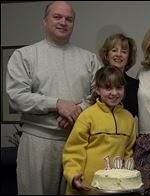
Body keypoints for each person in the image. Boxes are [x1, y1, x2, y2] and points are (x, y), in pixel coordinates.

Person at [5, 1, 101, 194]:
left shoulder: (89, 58)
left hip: (78, 142)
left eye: (69, 19)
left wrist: (78, 109)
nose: (63, 22)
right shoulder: (24, 55)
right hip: (37, 142)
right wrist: (57, 104)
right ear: (45, 21)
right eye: (57, 17)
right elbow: (16, 97)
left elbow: (98, 95)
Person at [63, 65, 137, 195]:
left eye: (119, 87)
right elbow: (73, 151)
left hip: (115, 189)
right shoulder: (87, 116)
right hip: (86, 187)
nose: (114, 93)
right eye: (108, 88)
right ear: (97, 89)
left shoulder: (129, 119)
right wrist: (73, 175)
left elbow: (128, 152)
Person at [99, 33, 139, 117]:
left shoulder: (135, 85)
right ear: (106, 55)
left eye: (124, 52)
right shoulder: (97, 80)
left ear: (129, 57)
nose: (119, 54)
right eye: (114, 50)